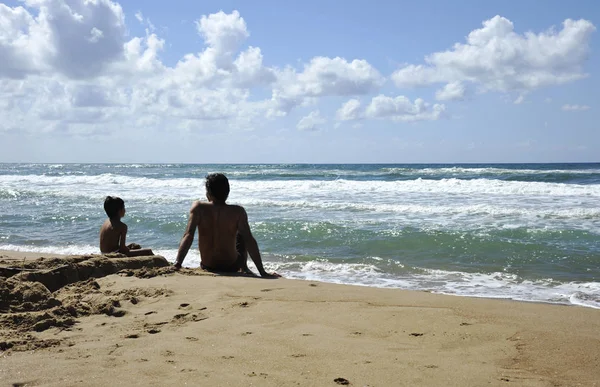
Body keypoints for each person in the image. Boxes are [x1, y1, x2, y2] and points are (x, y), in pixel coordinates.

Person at [174, 173, 279, 278]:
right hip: (231, 266)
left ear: (208, 192)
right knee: (243, 235)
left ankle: (244, 268)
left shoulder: (198, 208)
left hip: (208, 266)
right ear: (227, 192)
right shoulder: (238, 211)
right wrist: (262, 272)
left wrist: (178, 263)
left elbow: (188, 236)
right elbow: (249, 241)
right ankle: (244, 268)